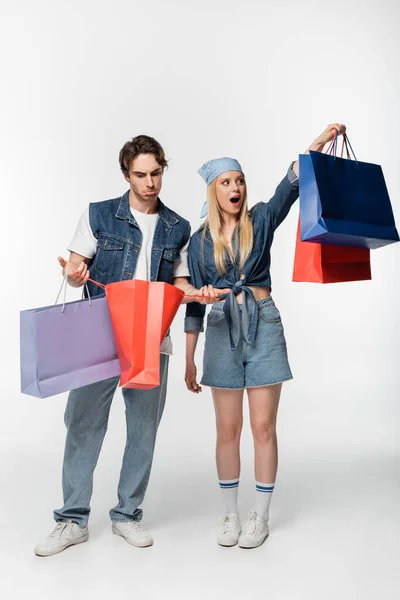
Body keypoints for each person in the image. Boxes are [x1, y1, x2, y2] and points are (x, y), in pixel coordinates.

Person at [34, 134, 214, 557]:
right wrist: (75, 276)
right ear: (126, 175)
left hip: (152, 337)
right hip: (99, 334)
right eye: (141, 175)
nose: (150, 182)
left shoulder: (178, 227)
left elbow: (180, 283)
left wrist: (195, 294)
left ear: (162, 171)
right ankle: (73, 520)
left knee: (142, 430)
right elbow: (77, 267)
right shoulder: (99, 215)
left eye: (156, 173)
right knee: (82, 424)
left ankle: (127, 515)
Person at [184, 123, 346, 549]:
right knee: (227, 429)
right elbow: (192, 306)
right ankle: (229, 516)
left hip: (264, 324)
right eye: (226, 182)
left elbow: (288, 187)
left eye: (239, 180)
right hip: (220, 328)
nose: (235, 187)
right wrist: (188, 357)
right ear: (214, 192)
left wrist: (315, 147)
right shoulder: (199, 242)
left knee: (263, 427)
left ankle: (260, 516)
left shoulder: (260, 218)